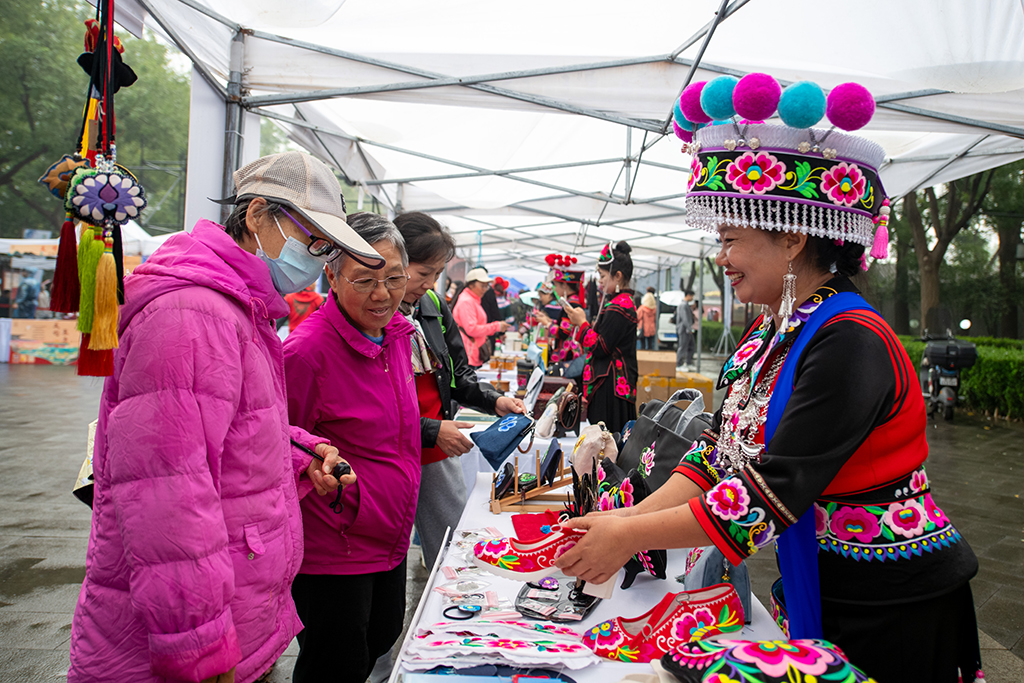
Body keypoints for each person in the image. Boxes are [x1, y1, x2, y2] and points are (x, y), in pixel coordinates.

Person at [555, 112, 982, 683]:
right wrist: (625, 519)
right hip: (820, 574)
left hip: (888, 595)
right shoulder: (770, 334)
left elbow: (768, 494)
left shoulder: (851, 341)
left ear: (793, 237)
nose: (721, 259)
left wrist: (628, 535)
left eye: (731, 240)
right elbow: (717, 456)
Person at [68, 151, 362, 683]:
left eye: (329, 247)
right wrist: (199, 645)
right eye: (314, 240)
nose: (320, 259)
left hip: (238, 608)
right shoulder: (192, 312)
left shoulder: (236, 305)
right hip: (185, 640)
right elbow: (166, 496)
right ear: (256, 216)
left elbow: (233, 428)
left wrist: (299, 454)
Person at [282, 212, 418, 683]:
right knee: (335, 663)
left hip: (389, 533)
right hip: (334, 541)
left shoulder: (396, 335)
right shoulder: (306, 352)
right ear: (332, 276)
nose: (382, 294)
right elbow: (275, 438)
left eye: (393, 278)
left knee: (380, 638)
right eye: (365, 280)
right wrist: (311, 463)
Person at [393, 211, 527, 568]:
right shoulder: (377, 314)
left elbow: (456, 373)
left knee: (454, 547)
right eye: (424, 274)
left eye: (437, 274)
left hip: (436, 445)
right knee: (389, 552)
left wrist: (493, 400)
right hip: (393, 445)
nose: (430, 284)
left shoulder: (432, 307)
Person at [562, 241, 638, 434]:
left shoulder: (619, 306)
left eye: (603, 276)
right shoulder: (621, 303)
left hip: (610, 387)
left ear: (618, 276)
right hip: (612, 384)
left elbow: (601, 347)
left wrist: (583, 323)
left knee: (605, 437)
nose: (600, 280)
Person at [453, 267, 508, 367]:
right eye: (482, 286)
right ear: (471, 284)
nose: (484, 289)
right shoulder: (467, 301)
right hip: (468, 353)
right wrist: (496, 326)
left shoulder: (473, 300)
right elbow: (471, 329)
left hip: (472, 351)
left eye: (486, 286)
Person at [675, 289, 696, 372]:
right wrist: (689, 328)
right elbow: (685, 318)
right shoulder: (683, 305)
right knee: (683, 347)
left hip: (686, 329)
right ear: (688, 295)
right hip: (684, 329)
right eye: (692, 296)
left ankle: (688, 362)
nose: (692, 298)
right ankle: (678, 364)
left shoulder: (685, 305)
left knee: (691, 346)